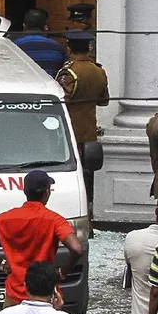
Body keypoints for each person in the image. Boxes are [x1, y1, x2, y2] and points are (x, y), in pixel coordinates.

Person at [0, 169, 85, 305]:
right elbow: (76, 249)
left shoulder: (5, 219)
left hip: (15, 295)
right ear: (47, 193)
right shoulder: (54, 220)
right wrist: (62, 272)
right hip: (44, 295)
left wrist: (0, 263)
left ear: (25, 191)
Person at [56, 30, 109, 211]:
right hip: (90, 131)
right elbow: (104, 101)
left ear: (69, 47)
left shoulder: (69, 72)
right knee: (87, 175)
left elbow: (61, 100)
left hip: (70, 131)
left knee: (71, 172)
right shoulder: (99, 71)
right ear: (88, 48)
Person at [13, 8, 67, 76]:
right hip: (51, 85)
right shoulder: (58, 48)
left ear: (24, 26)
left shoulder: (14, 46)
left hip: (24, 85)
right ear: (45, 27)